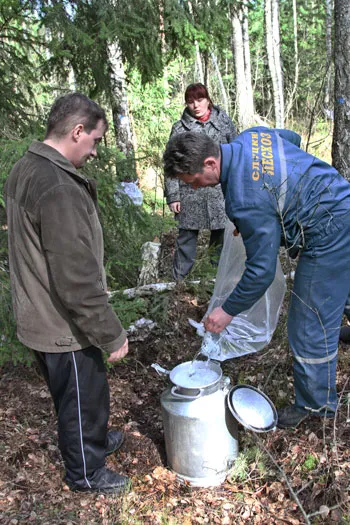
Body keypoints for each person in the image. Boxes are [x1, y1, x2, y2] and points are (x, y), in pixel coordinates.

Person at [163, 128, 350, 429]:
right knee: (341, 288)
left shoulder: (244, 200)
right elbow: (292, 139)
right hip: (341, 197)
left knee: (307, 324)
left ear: (211, 163)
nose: (195, 189)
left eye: (194, 181)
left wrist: (227, 311)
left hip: (330, 233)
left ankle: (318, 406)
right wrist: (265, 217)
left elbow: (261, 272)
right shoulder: (252, 137)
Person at [4, 93, 130, 493]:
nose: (94, 151)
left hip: (41, 310)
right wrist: (111, 333)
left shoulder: (27, 166)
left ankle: (93, 440)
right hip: (60, 323)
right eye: (93, 141)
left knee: (85, 391)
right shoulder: (56, 185)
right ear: (77, 131)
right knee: (79, 400)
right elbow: (75, 277)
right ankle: (85, 472)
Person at [164, 83, 237, 280]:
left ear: (208, 99)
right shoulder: (179, 129)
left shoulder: (224, 123)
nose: (196, 105)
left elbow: (236, 153)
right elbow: (170, 163)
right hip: (189, 193)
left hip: (219, 191)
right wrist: (173, 196)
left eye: (200, 99)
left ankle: (216, 278)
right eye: (190, 101)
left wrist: (236, 189)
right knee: (186, 237)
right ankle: (179, 281)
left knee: (220, 237)